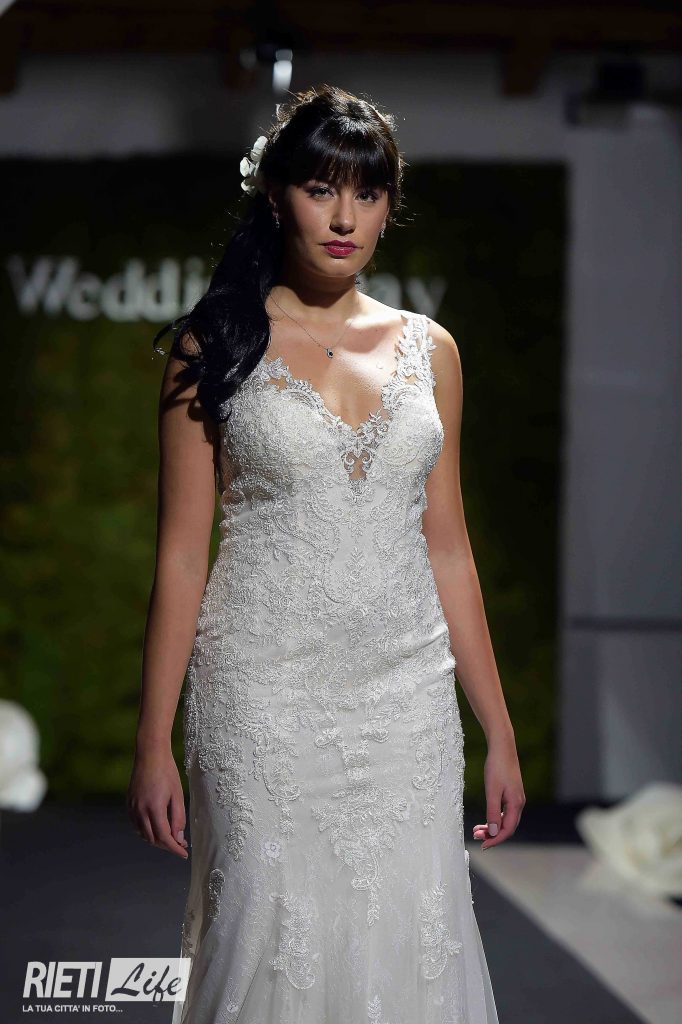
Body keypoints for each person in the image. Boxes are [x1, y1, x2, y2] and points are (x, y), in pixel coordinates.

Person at [127, 83, 524, 1024]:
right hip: (260, 694)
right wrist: (152, 740)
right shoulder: (215, 346)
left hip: (406, 699)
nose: (345, 218)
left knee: (411, 938)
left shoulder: (432, 351)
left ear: (389, 206)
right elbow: (181, 559)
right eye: (320, 189)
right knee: (267, 937)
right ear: (277, 196)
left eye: (367, 193)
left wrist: (499, 729)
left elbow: (449, 547)